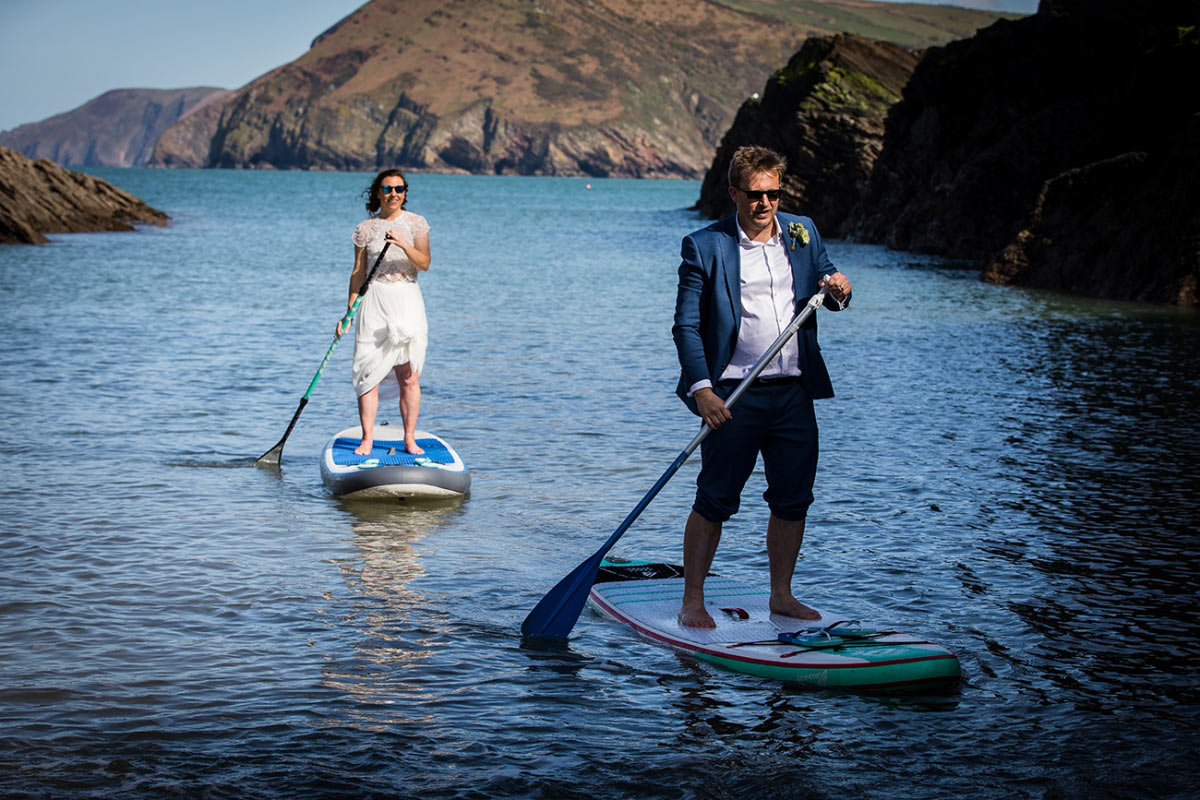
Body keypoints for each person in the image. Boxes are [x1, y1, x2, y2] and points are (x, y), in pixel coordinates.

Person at [671, 145, 852, 628]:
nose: (765, 204)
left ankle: (781, 595)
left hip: (793, 391)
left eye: (773, 193)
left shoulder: (803, 231)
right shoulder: (704, 246)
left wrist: (839, 290)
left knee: (794, 498)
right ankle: (693, 599)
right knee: (715, 498)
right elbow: (686, 327)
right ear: (733, 193)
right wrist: (702, 390)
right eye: (754, 194)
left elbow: (824, 288)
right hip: (733, 393)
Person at [336, 169, 431, 456]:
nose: (394, 195)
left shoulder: (416, 224)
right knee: (368, 372)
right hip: (374, 300)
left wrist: (403, 242)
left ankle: (409, 438)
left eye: (399, 189)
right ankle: (367, 438)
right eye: (388, 189)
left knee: (408, 375)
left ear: (405, 192)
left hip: (406, 299)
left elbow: (424, 263)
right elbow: (357, 273)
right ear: (377, 192)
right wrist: (348, 313)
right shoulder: (365, 229)